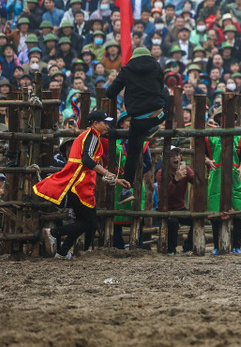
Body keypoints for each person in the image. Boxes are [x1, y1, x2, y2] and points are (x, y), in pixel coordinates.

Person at [35, 111, 130, 259]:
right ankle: (53, 233)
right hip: (80, 186)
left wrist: (115, 179)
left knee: (83, 222)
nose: (107, 126)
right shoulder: (92, 136)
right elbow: (87, 160)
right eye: (104, 122)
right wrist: (107, 173)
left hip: (77, 183)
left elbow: (90, 164)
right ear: (95, 124)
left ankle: (62, 252)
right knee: (90, 223)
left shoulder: (87, 136)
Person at [105, 46, 168, 190]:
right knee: (165, 94)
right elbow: (160, 89)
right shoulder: (157, 68)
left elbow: (110, 93)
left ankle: (127, 188)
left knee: (133, 153)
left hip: (138, 121)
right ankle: (152, 127)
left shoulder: (126, 71)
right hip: (158, 116)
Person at [205, 107, 241, 254]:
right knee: (215, 211)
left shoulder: (239, 136)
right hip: (216, 174)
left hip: (234, 175)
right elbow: (202, 154)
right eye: (223, 116)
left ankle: (237, 246)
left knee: (238, 210)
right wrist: (208, 161)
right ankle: (217, 246)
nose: (225, 119)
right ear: (219, 119)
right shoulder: (211, 135)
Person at [110, 111, 152, 249]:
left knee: (136, 214)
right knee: (115, 214)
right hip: (116, 184)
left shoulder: (142, 141)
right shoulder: (113, 141)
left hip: (135, 183)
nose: (130, 123)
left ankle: (137, 244)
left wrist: (135, 173)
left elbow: (148, 163)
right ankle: (117, 245)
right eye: (127, 120)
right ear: (121, 123)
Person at [160, 145, 195, 254]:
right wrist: (175, 180)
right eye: (172, 156)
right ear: (166, 159)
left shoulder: (185, 170)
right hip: (165, 209)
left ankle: (188, 247)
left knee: (196, 219)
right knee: (172, 222)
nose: (176, 158)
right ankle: (171, 250)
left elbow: (197, 181)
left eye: (177, 155)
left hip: (180, 208)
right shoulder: (161, 173)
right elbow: (164, 195)